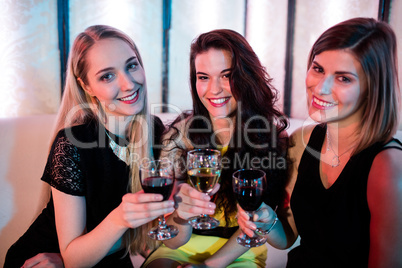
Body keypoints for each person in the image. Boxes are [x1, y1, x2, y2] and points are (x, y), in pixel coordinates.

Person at [237, 17, 402, 268]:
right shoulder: (302, 140)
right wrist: (265, 219)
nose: (321, 87)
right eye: (318, 68)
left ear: (372, 88)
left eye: (343, 78)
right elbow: (287, 237)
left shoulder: (387, 165)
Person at [4, 25, 173, 267]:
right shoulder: (72, 143)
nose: (128, 84)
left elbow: (147, 237)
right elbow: (74, 258)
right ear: (86, 86)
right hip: (39, 261)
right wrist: (120, 219)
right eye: (107, 76)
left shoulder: (155, 130)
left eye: (131, 65)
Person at [142, 29, 288, 267]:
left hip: (241, 252)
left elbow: (263, 228)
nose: (214, 89)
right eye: (203, 77)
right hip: (181, 249)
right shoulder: (178, 139)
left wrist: (208, 266)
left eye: (226, 75)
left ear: (246, 76)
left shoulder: (271, 141)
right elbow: (172, 241)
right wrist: (182, 214)